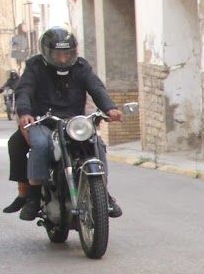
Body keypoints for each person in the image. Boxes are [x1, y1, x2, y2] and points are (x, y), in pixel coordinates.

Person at [14, 26, 124, 220]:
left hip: (74, 122)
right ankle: (33, 197)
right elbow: (24, 90)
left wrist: (110, 108)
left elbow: (96, 87)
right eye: (58, 54)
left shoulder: (81, 67)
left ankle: (103, 194)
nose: (63, 59)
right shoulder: (35, 66)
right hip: (44, 120)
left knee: (96, 143)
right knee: (40, 144)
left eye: (67, 53)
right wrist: (25, 113)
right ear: (47, 52)